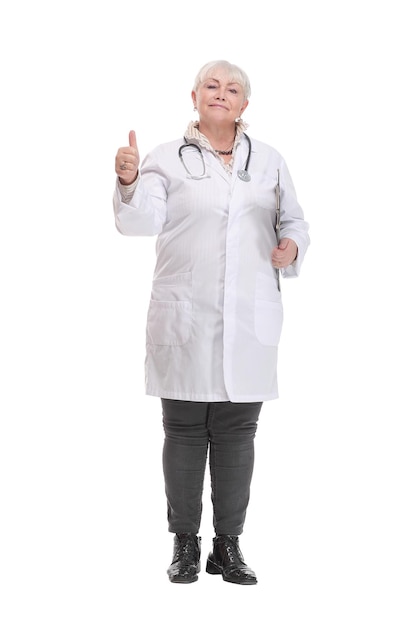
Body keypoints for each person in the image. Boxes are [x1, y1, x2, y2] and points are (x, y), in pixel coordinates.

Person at [113, 60, 310, 585]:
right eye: (212, 86)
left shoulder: (267, 161)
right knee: (182, 433)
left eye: (233, 89)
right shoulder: (166, 159)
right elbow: (139, 222)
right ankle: (185, 543)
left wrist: (290, 245)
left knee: (237, 435)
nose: (222, 93)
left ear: (245, 104)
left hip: (249, 321)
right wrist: (129, 181)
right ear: (194, 96)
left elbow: (292, 220)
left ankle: (228, 545)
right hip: (186, 319)